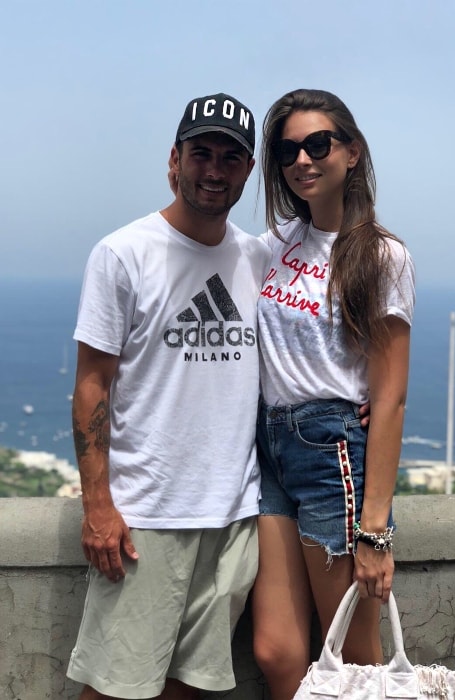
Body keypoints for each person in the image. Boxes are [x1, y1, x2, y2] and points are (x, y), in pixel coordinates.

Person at [66, 93, 272, 700]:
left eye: (230, 158)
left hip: (234, 515)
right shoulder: (123, 253)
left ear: (248, 171)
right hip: (147, 516)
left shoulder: (255, 256)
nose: (214, 170)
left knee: (191, 687)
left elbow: (310, 333)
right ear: (173, 160)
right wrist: (98, 506)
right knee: (115, 687)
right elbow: (91, 383)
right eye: (200, 153)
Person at [251, 88, 416, 700]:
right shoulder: (271, 246)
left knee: (352, 655)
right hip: (269, 449)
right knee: (276, 650)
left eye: (318, 144)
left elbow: (390, 397)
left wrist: (375, 532)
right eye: (288, 149)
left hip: (331, 456)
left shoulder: (381, 256)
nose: (302, 160)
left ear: (351, 151)